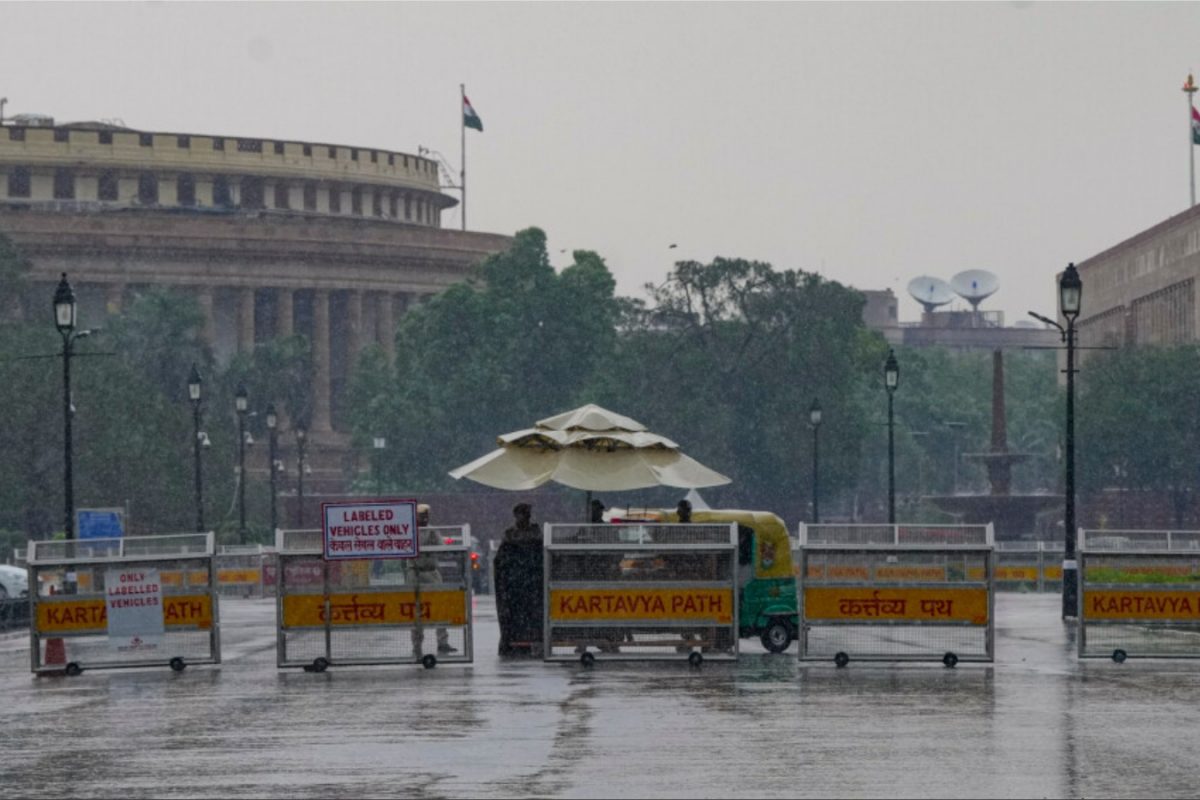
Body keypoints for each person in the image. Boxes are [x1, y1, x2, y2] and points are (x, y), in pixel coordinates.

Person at [493, 502, 544, 656]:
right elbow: (501, 559)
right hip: (515, 583)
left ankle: (531, 642)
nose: (526, 517)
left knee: (532, 614)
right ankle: (514, 643)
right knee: (515, 615)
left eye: (527, 514)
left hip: (531, 582)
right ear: (517, 516)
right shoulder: (511, 534)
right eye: (523, 514)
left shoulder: (535, 532)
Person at [411, 504, 456, 657]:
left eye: (426, 515)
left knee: (439, 607)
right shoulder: (409, 530)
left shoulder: (432, 530)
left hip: (431, 572)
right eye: (421, 515)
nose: (424, 518)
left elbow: (442, 548)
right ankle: (417, 644)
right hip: (415, 574)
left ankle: (442, 642)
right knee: (416, 611)